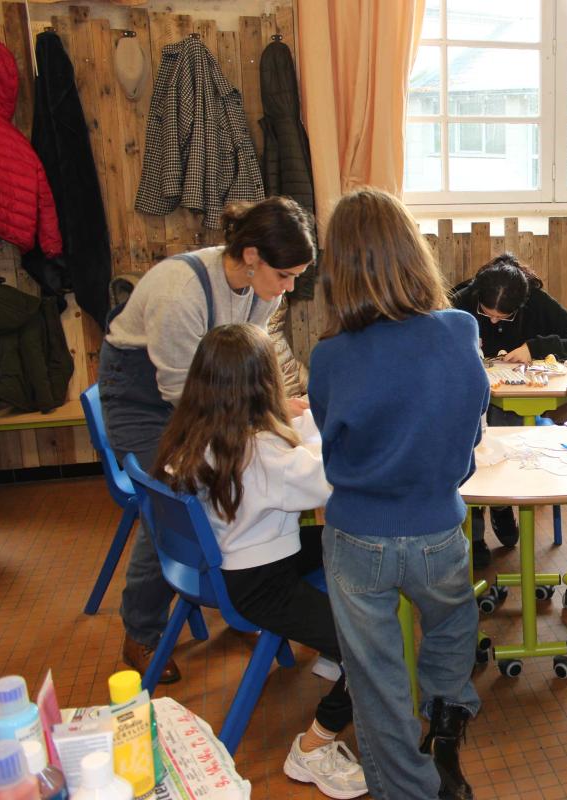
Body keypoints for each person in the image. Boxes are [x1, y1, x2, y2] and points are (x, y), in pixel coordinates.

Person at [308, 189, 489, 800]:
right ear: (414, 253)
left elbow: (333, 443)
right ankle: (447, 715)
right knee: (453, 621)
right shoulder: (460, 330)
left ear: (338, 269)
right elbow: (471, 428)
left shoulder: (329, 356)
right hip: (437, 526)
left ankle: (409, 790)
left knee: (376, 681)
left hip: (357, 535)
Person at [99, 196, 315, 683]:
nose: (289, 287)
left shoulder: (264, 289)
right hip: (141, 393)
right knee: (172, 496)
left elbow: (245, 366)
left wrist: (271, 409)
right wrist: (261, 424)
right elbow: (184, 394)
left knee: (235, 473)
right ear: (253, 256)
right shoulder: (181, 293)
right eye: (285, 275)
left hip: (203, 388)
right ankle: (142, 631)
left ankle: (240, 593)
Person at [153, 324, 365, 799]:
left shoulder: (194, 435)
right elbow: (330, 479)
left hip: (230, 564)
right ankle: (314, 746)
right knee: (371, 644)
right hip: (260, 583)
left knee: (341, 541)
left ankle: (330, 648)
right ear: (264, 384)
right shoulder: (263, 453)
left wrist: (292, 428)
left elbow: (285, 468)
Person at [450, 253, 567, 566]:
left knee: (506, 424)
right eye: (487, 314)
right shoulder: (461, 300)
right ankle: (474, 528)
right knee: (470, 437)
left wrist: (535, 347)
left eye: (503, 317)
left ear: (520, 306)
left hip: (512, 405)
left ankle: (502, 504)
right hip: (468, 401)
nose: (494, 322)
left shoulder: (534, 300)